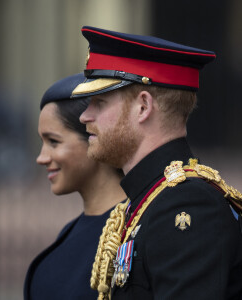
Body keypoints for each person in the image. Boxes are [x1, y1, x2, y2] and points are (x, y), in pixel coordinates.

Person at [72, 26, 242, 300]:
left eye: (99, 103)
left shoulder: (187, 204)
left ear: (143, 107)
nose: (84, 116)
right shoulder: (148, 200)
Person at [23, 72, 126, 300]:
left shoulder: (138, 228)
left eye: (54, 142)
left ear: (94, 136)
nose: (41, 158)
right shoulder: (70, 234)